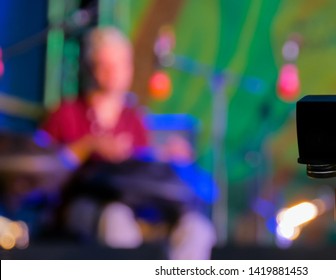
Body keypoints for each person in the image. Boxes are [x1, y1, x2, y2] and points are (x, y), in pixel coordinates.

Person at [40, 26, 216, 259]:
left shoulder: (133, 119)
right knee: (116, 218)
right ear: (92, 68)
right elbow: (42, 170)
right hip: (86, 205)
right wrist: (89, 145)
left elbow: (141, 169)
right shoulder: (67, 114)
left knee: (197, 228)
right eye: (106, 65)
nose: (114, 73)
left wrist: (165, 157)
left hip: (136, 203)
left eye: (121, 64)